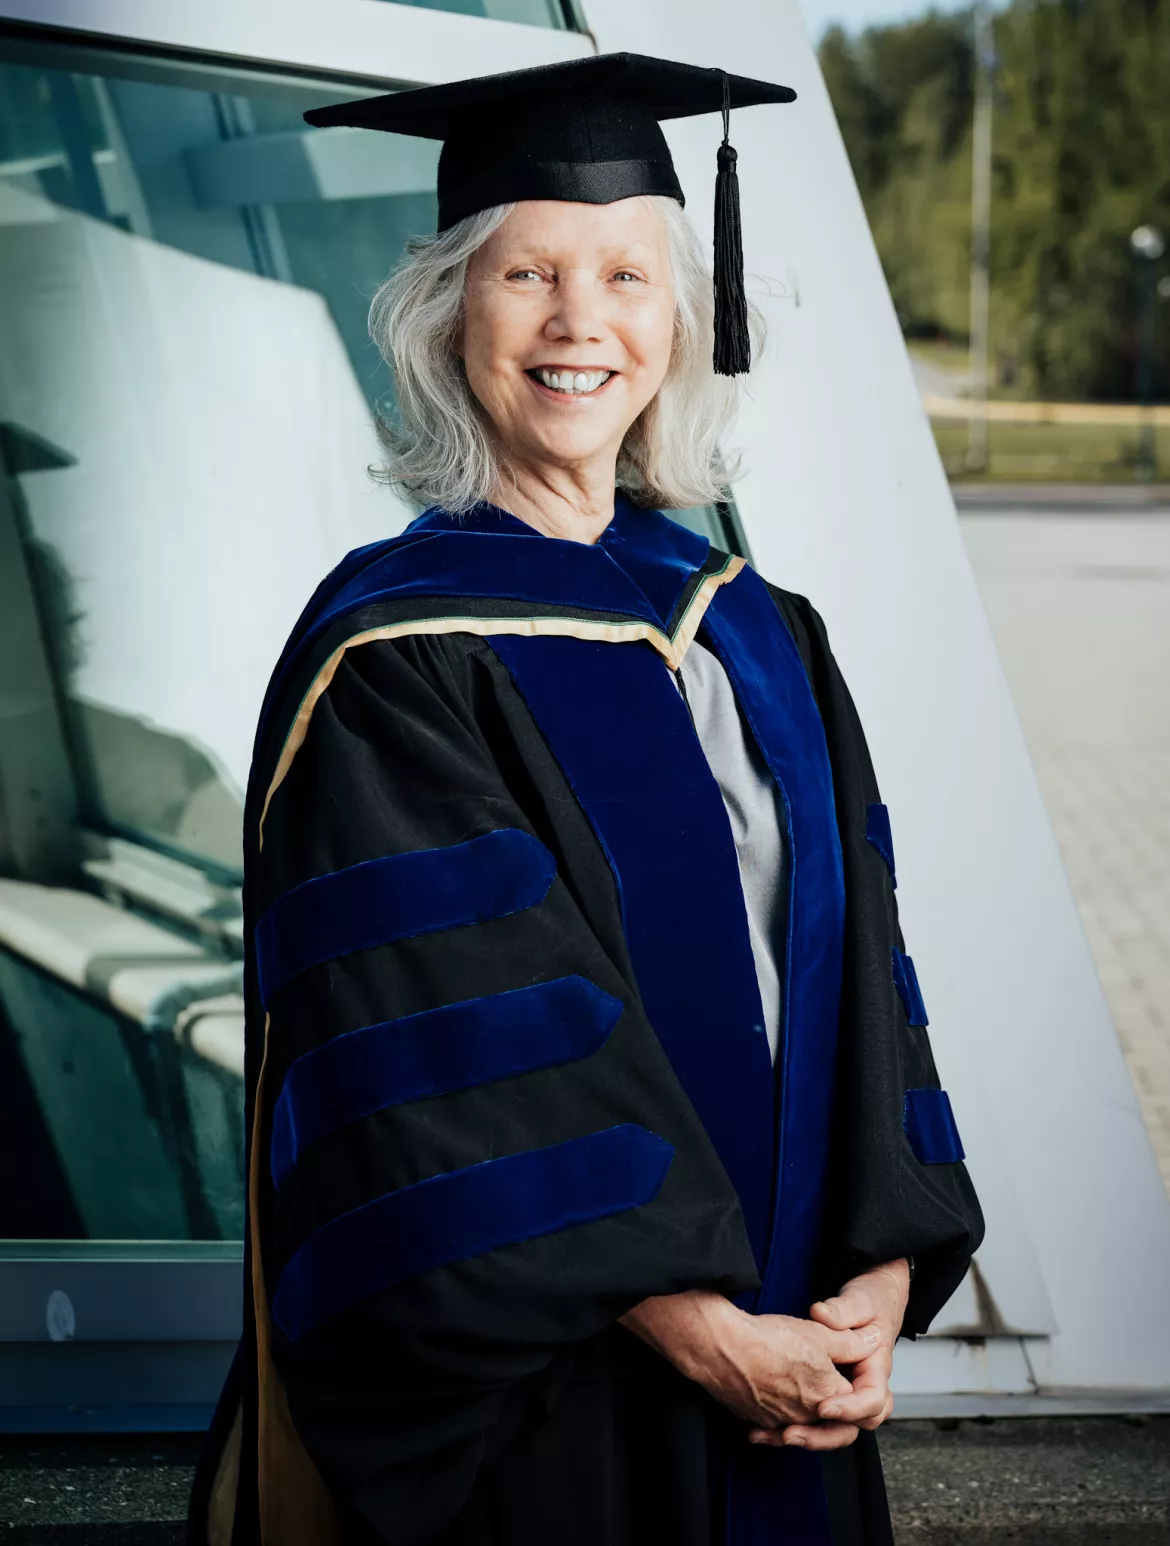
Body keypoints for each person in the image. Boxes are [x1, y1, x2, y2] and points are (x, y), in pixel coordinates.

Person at [188, 51, 984, 1546]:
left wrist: (876, 1273)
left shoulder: (757, 625)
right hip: (560, 1401)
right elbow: (452, 1050)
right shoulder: (397, 654)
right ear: (446, 316)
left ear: (678, 320)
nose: (580, 322)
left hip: (802, 1352)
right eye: (527, 274)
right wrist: (702, 1330)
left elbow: (863, 970)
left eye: (626, 273)